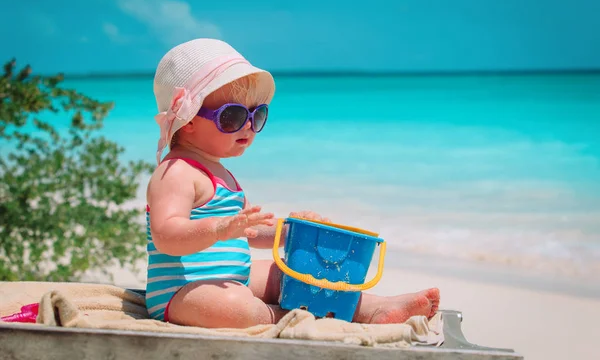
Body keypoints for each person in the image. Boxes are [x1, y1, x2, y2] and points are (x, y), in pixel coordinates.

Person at [145, 38, 440, 328]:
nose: (248, 126)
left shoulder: (222, 175)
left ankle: (373, 308)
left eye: (256, 115)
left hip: (236, 280)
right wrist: (219, 229)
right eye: (232, 116)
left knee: (292, 274)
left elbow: (252, 230)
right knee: (233, 306)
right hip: (183, 295)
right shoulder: (175, 172)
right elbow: (167, 236)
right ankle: (286, 316)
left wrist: (289, 232)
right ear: (188, 121)